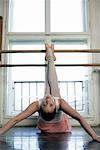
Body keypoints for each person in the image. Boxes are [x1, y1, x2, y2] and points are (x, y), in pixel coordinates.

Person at [0, 44, 100, 142]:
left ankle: (50, 57)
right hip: (60, 127)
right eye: (51, 104)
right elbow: (79, 118)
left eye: (44, 104)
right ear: (56, 107)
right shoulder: (60, 103)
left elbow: (16, 119)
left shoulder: (36, 105)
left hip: (45, 125)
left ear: (40, 108)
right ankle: (50, 58)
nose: (47, 100)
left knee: (48, 90)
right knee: (54, 90)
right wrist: (94, 136)